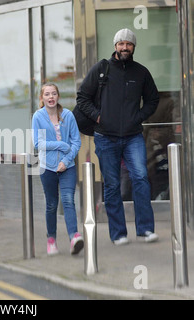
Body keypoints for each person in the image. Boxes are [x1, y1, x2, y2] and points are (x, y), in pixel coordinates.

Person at [76, 28, 160, 245]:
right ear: (115, 46)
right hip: (105, 137)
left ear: (134, 47)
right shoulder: (101, 69)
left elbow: (152, 100)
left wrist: (138, 117)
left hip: (133, 136)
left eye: (129, 44)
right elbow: (82, 98)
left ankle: (145, 230)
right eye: (121, 44)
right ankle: (118, 233)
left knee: (141, 179)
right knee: (112, 185)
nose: (125, 47)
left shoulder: (141, 72)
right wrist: (98, 117)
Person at [32, 83, 83, 255]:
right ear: (42, 98)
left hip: (67, 166)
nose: (51, 97)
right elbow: (38, 143)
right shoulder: (38, 117)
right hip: (48, 167)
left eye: (54, 93)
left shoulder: (68, 115)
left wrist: (67, 160)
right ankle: (51, 239)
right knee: (52, 204)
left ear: (58, 96)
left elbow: (76, 141)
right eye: (47, 94)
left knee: (68, 200)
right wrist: (61, 144)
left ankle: (74, 237)